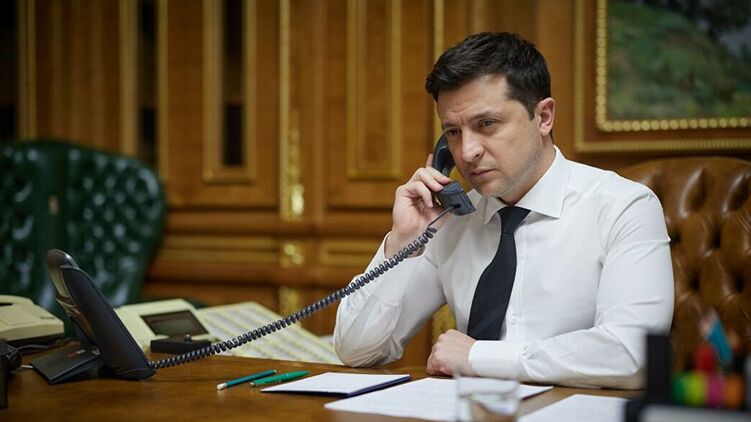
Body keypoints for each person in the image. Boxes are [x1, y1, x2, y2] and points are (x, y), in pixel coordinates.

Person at [333, 32, 674, 389]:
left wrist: (478, 357)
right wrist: (401, 244)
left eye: (487, 124)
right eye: (453, 132)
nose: (467, 152)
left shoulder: (623, 208)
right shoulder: (451, 222)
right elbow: (357, 351)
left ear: (543, 117)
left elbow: (633, 354)